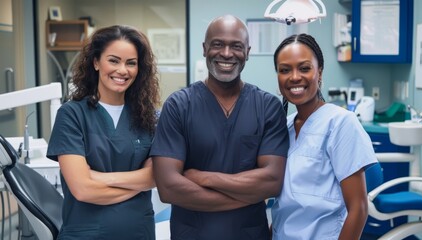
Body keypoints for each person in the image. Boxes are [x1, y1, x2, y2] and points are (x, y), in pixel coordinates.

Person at [150, 15, 289, 240]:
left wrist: (204, 178)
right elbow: (168, 188)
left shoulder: (267, 107)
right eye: (217, 44)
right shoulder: (178, 106)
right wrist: (247, 196)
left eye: (236, 46)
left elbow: (272, 181)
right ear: (205, 49)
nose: (226, 53)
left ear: (248, 52)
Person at [46, 25, 160, 239]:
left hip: (138, 233)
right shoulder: (72, 115)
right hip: (86, 233)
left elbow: (155, 177)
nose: (123, 70)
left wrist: (96, 176)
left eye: (131, 63)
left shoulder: (150, 118)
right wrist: (139, 183)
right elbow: (83, 190)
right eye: (114, 60)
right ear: (96, 62)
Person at [270, 33, 378, 240]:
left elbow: (358, 208)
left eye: (304, 68)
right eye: (285, 70)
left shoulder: (341, 123)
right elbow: (284, 206)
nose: (294, 77)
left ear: (319, 72)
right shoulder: (283, 127)